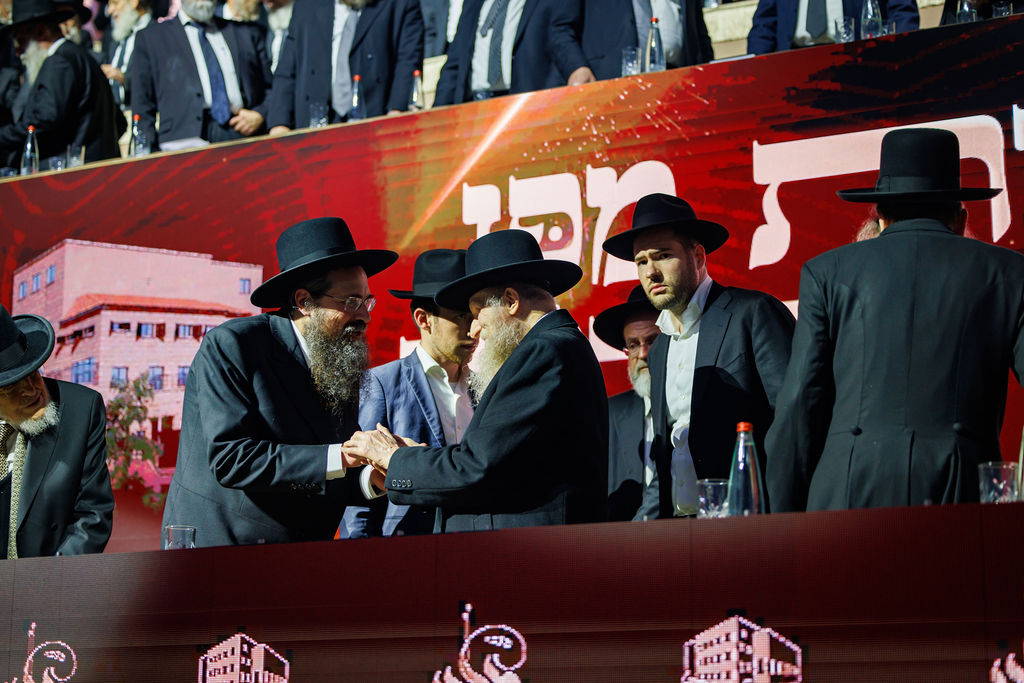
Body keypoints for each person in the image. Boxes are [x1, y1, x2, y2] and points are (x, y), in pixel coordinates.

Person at [766, 128, 1024, 511]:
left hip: (847, 490)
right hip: (962, 491)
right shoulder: (1010, 272)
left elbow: (800, 403)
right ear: (960, 218)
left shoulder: (826, 272)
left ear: (880, 217)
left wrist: (783, 516)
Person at [344, 229, 608, 532]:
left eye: (477, 311)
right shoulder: (557, 346)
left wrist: (394, 457)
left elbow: (477, 467)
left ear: (510, 301)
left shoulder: (543, 351)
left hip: (536, 550)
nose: (475, 329)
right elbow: (497, 463)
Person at [161, 217, 398, 547]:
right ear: (304, 302)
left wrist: (373, 476)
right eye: (350, 303)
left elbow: (324, 466)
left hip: (301, 554)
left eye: (366, 301)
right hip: (224, 548)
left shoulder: (338, 358)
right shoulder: (234, 346)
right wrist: (346, 455)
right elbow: (232, 459)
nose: (365, 316)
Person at [602, 193, 795, 518]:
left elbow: (794, 421)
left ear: (698, 256)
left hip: (751, 521)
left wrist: (782, 516)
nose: (651, 272)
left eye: (663, 256)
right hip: (682, 528)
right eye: (641, 262)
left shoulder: (752, 314)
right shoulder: (659, 349)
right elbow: (665, 457)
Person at [340, 248, 475, 538]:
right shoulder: (382, 383)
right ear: (423, 319)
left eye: (475, 316)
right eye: (462, 317)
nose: (473, 328)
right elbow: (360, 483)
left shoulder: (486, 386)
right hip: (408, 547)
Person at [0, 307, 114, 558]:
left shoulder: (81, 410)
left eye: (33, 373)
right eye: (12, 387)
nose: (32, 390)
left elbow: (92, 515)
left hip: (47, 576)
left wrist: (53, 577)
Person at [131, 0, 272, 148]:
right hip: (181, 144)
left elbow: (272, 88)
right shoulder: (152, 38)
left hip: (241, 134)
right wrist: (147, 151)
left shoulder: (245, 33)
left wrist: (260, 114)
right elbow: (142, 105)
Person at [267, 0, 424, 132]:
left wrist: (396, 113)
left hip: (376, 121)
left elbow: (408, 61)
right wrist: (279, 125)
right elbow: (287, 70)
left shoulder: (400, 4)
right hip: (317, 126)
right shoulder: (307, 5)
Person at [0, 0, 124, 165]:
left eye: (21, 41)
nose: (17, 52)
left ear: (41, 32)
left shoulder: (59, 61)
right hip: (96, 166)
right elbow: (119, 122)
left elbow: (44, 119)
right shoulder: (81, 56)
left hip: (70, 170)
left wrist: (3, 136)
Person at [432, 0, 593, 106]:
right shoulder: (474, 3)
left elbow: (561, 36)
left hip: (523, 104)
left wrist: (577, 67)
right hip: (474, 104)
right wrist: (437, 113)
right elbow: (456, 60)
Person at [593, 284, 661, 521]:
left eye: (652, 341)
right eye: (633, 345)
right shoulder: (608, 415)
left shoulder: (697, 405)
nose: (642, 354)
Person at [581, 0, 712, 81]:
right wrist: (577, 67)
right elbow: (568, 23)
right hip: (624, 78)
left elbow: (698, 29)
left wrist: (707, 72)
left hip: (682, 76)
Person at [746, 0, 918, 54]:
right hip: (793, 62)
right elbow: (764, 27)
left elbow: (902, 11)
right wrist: (756, 72)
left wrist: (901, 52)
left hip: (857, 58)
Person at [100, 0, 153, 111]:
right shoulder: (116, 38)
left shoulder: (156, 35)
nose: (109, 11)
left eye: (115, 3)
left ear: (134, 2)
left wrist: (124, 78)